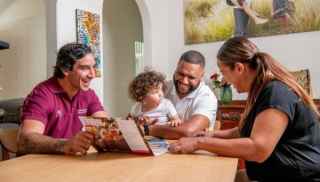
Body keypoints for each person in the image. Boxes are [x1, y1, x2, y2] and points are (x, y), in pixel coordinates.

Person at [169, 37, 320, 181]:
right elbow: (242, 132)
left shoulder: (275, 92)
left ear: (239, 68)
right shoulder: (261, 90)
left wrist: (199, 143)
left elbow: (258, 149)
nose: (224, 80)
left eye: (223, 72)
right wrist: (210, 135)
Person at [17, 43, 107, 156]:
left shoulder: (88, 94)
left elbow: (105, 127)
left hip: (67, 161)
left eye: (93, 67)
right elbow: (25, 140)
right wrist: (65, 145)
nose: (92, 74)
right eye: (84, 68)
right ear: (65, 69)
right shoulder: (42, 94)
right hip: (38, 163)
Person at [145, 50, 218, 139]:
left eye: (191, 77)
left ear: (201, 76)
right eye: (181, 74)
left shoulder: (207, 97)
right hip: (159, 145)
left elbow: (189, 132)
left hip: (193, 152)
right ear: (176, 68)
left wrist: (148, 129)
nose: (184, 81)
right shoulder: (164, 87)